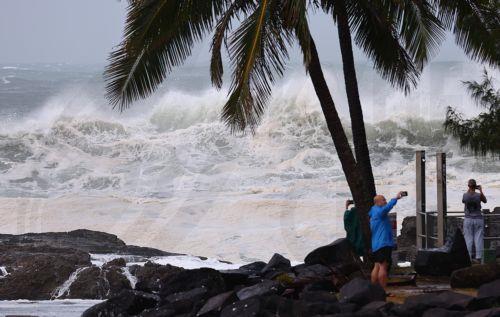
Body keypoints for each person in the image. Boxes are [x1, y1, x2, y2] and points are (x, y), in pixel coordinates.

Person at [369, 192, 404, 289]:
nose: (385, 201)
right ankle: (382, 290)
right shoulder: (380, 212)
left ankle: (373, 289)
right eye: (383, 200)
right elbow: (387, 208)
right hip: (384, 243)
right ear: (377, 202)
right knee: (383, 267)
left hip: (375, 245)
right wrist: (395, 198)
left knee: (377, 266)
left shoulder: (373, 212)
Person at [463, 179, 487, 262]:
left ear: (468, 186)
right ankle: (479, 257)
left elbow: (464, 201)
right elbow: (485, 201)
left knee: (468, 239)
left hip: (468, 219)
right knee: (479, 238)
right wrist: (481, 190)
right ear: (475, 186)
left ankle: (468, 258)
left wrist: (469, 189)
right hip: (478, 219)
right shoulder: (479, 195)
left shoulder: (465, 195)